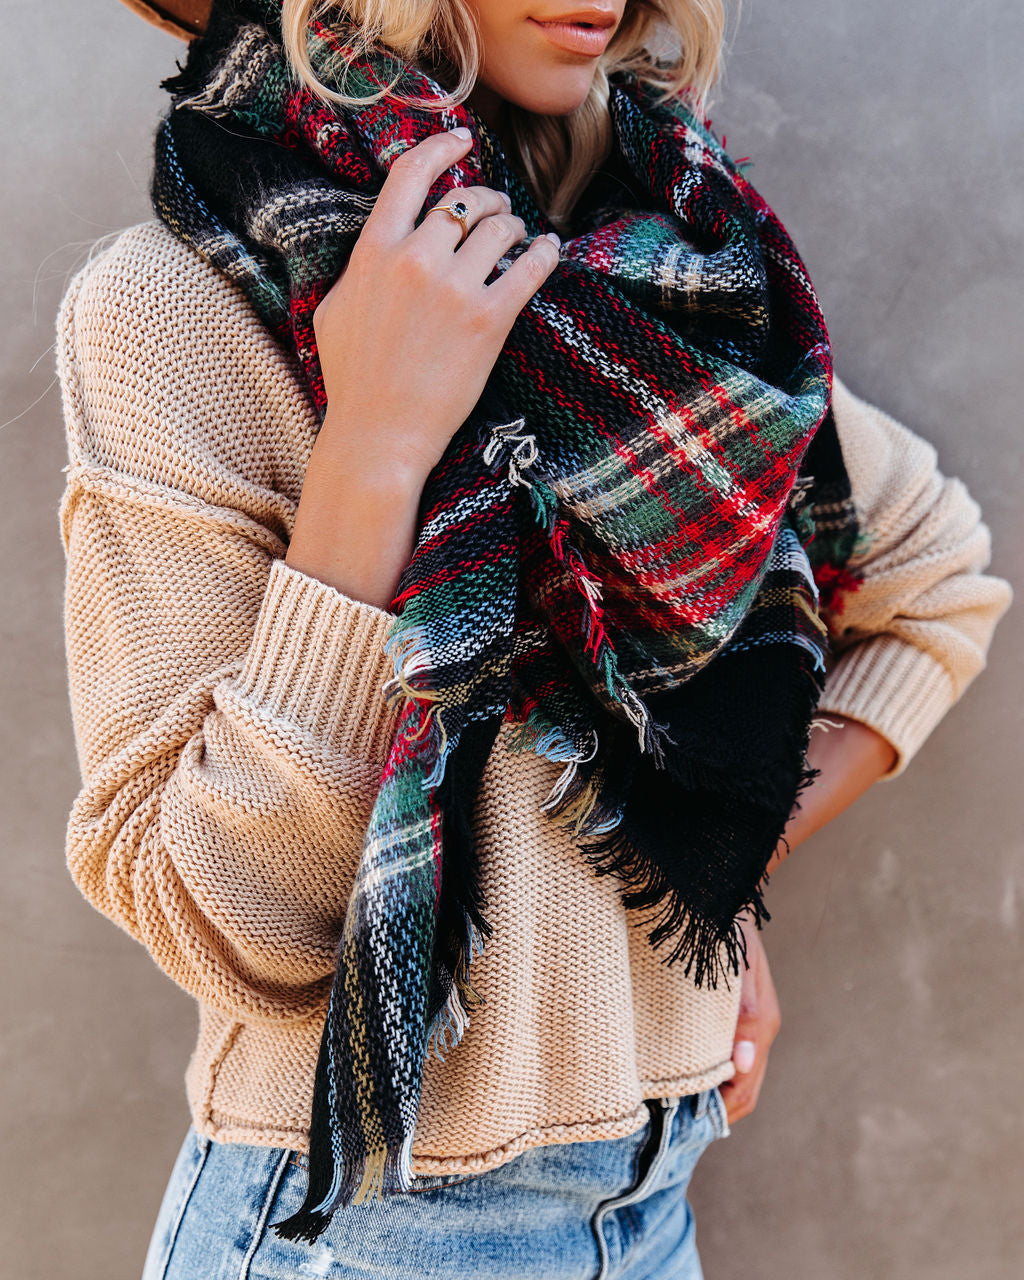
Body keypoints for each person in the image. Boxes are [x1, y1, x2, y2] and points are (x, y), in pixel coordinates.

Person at [56, 1, 1011, 1277]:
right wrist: (377, 449)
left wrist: (698, 859)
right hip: (358, 1225)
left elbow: (935, 573)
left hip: (653, 1206)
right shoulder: (172, 309)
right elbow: (235, 928)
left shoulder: (663, 279)